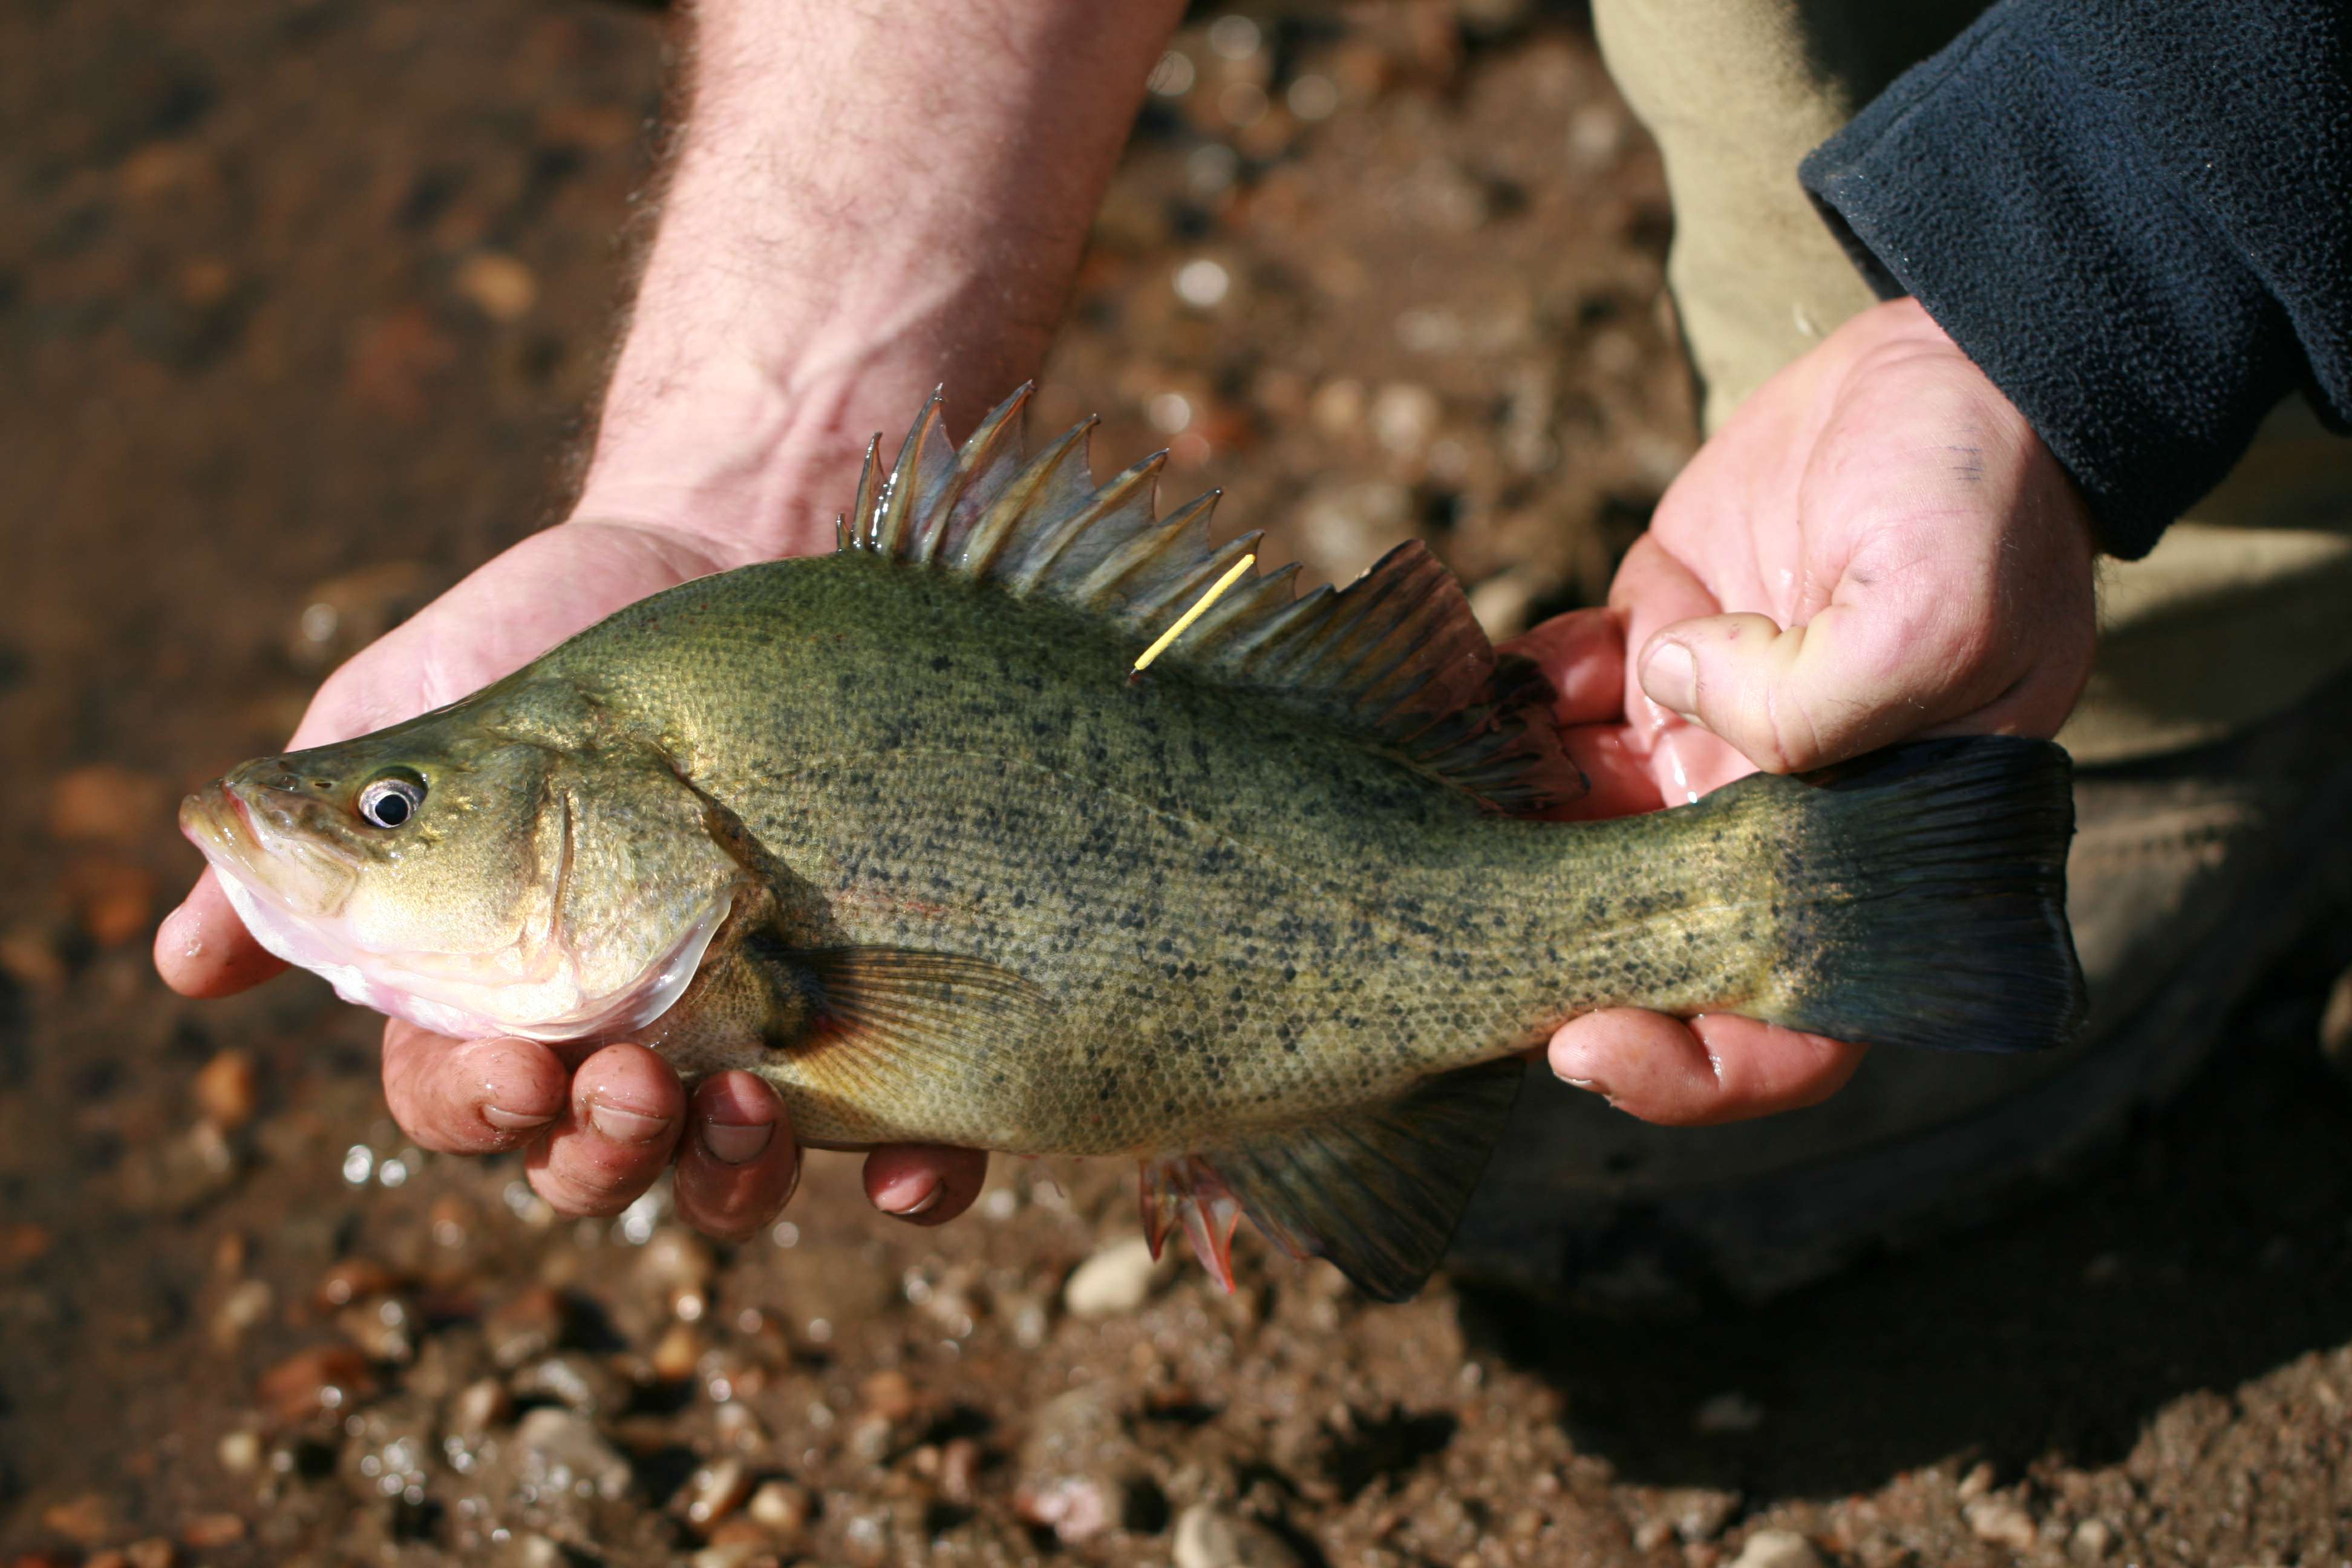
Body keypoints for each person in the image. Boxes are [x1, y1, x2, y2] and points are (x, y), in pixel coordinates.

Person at [154, 0, 2352, 1285]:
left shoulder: (723, 885)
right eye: (387, 803)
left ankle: (2194, 613)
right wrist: (719, 489)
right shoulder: (682, 759)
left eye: (397, 809)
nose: (337, 827)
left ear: (610, 816)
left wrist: (2066, 306)